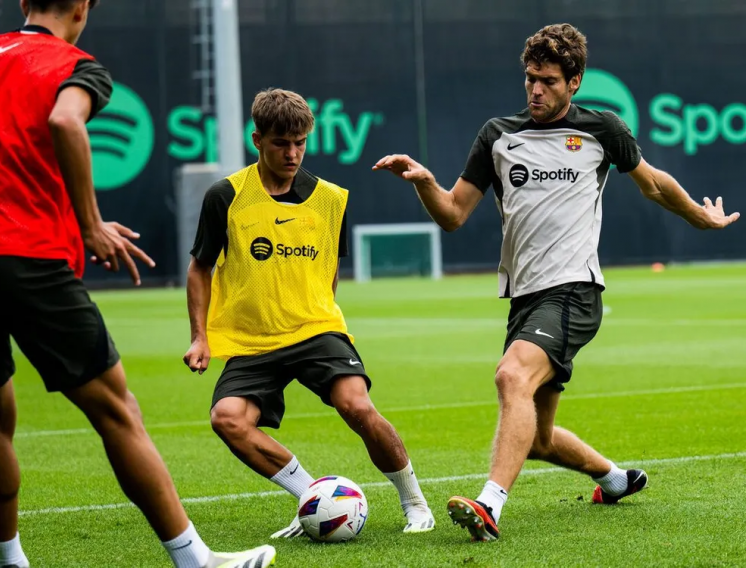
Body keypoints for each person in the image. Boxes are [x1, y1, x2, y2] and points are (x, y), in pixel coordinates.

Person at [0, 1, 276, 567]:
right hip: (26, 258)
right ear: (82, 7)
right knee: (118, 411)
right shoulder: (76, 65)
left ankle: (11, 561)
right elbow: (64, 121)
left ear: (24, 2)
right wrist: (91, 224)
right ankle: (196, 561)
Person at [373, 23, 739, 542]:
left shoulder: (601, 129)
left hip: (574, 291)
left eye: (547, 80)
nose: (535, 90)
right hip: (525, 299)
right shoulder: (498, 135)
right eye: (529, 79)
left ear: (575, 82)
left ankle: (489, 505)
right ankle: (614, 479)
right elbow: (453, 213)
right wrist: (426, 183)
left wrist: (701, 219)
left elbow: (654, 184)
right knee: (537, 438)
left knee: (510, 377)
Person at [184, 88, 435, 539]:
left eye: (300, 142)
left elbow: (330, 270)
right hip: (252, 340)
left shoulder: (330, 199)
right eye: (281, 143)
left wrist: (319, 313)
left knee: (356, 406)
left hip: (315, 328)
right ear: (257, 139)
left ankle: (415, 503)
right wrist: (200, 337)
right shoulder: (225, 196)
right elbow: (200, 268)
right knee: (227, 419)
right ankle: (311, 496)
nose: (292, 152)